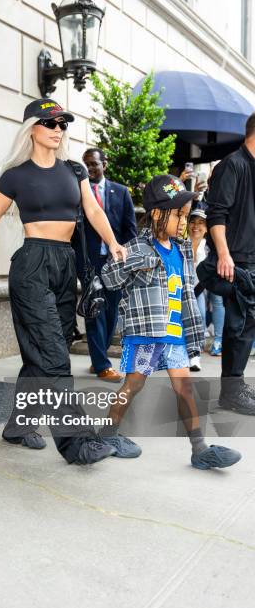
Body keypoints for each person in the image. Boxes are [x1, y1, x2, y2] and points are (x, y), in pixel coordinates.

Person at [0, 97, 128, 465]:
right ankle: (77, 444)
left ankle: (17, 426)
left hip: (65, 265)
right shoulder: (15, 175)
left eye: (63, 124)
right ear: (32, 128)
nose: (59, 130)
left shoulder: (75, 171)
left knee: (38, 356)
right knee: (55, 358)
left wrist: (113, 242)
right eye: (51, 123)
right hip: (31, 266)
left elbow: (92, 210)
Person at [100, 175, 241, 470]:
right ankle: (107, 435)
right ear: (155, 213)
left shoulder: (182, 249)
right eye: (177, 214)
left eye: (185, 215)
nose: (182, 221)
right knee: (133, 385)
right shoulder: (139, 248)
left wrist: (194, 332)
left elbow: (188, 292)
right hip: (146, 334)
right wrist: (130, 260)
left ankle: (199, 449)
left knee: (185, 389)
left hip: (174, 332)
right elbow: (110, 278)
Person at [73, 147, 137, 381]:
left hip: (115, 262)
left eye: (94, 164)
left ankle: (98, 354)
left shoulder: (121, 192)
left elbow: (130, 229)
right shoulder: (78, 194)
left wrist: (129, 259)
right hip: (89, 262)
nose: (89, 168)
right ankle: (101, 364)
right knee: (94, 310)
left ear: (104, 165)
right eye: (86, 164)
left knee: (111, 309)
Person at [206, 112, 255, 414]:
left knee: (247, 326)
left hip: (252, 259)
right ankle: (231, 391)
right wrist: (224, 254)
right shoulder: (232, 165)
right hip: (235, 261)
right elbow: (217, 214)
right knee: (237, 326)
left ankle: (236, 384)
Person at [187, 205, 208, 372]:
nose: (196, 226)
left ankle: (195, 356)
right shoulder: (180, 243)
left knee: (199, 316)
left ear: (206, 228)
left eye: (201, 223)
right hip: (178, 289)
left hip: (198, 290)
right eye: (193, 222)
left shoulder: (208, 249)